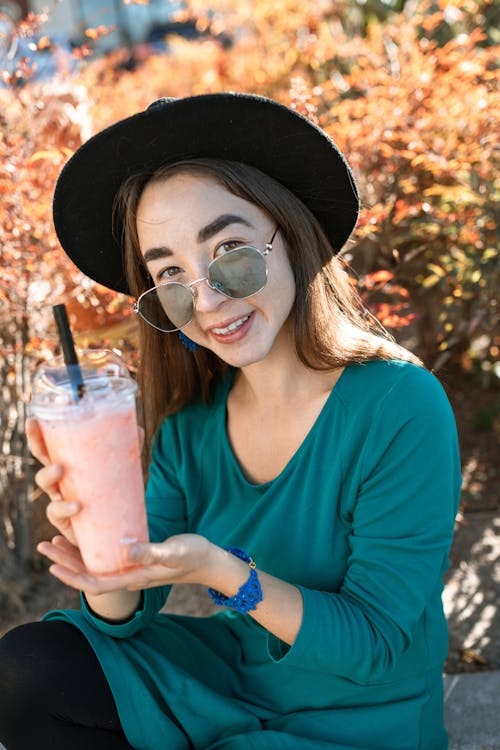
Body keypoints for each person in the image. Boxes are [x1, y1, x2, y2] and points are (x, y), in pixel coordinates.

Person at [0, 93, 461, 750]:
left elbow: (379, 644)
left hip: (359, 715)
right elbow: (122, 616)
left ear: (290, 235)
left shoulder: (399, 404)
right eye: (171, 276)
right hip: (234, 684)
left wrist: (223, 573)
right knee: (31, 667)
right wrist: (100, 550)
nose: (208, 299)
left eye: (231, 250)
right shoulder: (191, 428)